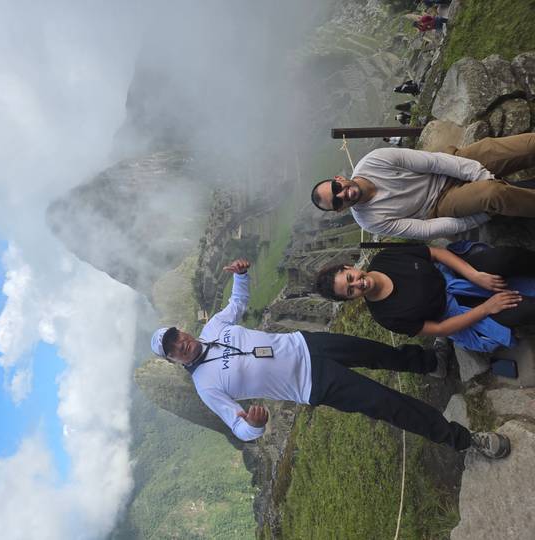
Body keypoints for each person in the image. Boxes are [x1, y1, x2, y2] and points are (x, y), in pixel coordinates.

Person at [150, 258, 511, 458]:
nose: (180, 344)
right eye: (172, 349)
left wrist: (241, 276)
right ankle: (463, 440)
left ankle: (429, 363)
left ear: (181, 331)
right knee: (386, 403)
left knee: (378, 353)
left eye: (175, 336)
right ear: (173, 360)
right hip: (313, 384)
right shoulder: (205, 386)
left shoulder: (214, 326)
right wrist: (255, 425)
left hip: (307, 344)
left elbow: (237, 304)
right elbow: (238, 427)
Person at [309, 133, 535, 240]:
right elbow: (427, 230)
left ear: (338, 179)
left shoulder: (374, 161)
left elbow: (435, 162)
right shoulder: (370, 220)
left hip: (447, 168)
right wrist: (478, 218)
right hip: (441, 203)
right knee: (492, 194)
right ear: (339, 210)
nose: (343, 194)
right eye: (337, 201)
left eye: (336, 188)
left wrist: (481, 174)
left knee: (526, 146)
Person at [315, 244, 535, 353]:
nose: (358, 284)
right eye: (350, 291)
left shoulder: (385, 258)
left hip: (456, 275)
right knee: (525, 309)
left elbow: (435, 253)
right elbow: (440, 330)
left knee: (506, 257)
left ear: (348, 267)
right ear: (351, 299)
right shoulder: (386, 316)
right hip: (460, 311)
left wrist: (475, 275)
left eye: (350, 278)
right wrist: (486, 308)